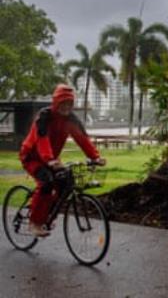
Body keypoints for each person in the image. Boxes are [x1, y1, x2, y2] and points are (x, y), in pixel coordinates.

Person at [19, 84, 106, 237]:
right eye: (63, 103)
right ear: (56, 102)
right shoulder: (44, 117)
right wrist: (50, 160)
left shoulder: (71, 120)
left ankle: (47, 215)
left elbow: (82, 139)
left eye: (69, 104)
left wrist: (95, 157)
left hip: (52, 159)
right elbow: (42, 139)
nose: (66, 107)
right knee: (46, 183)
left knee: (64, 184)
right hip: (32, 158)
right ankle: (34, 223)